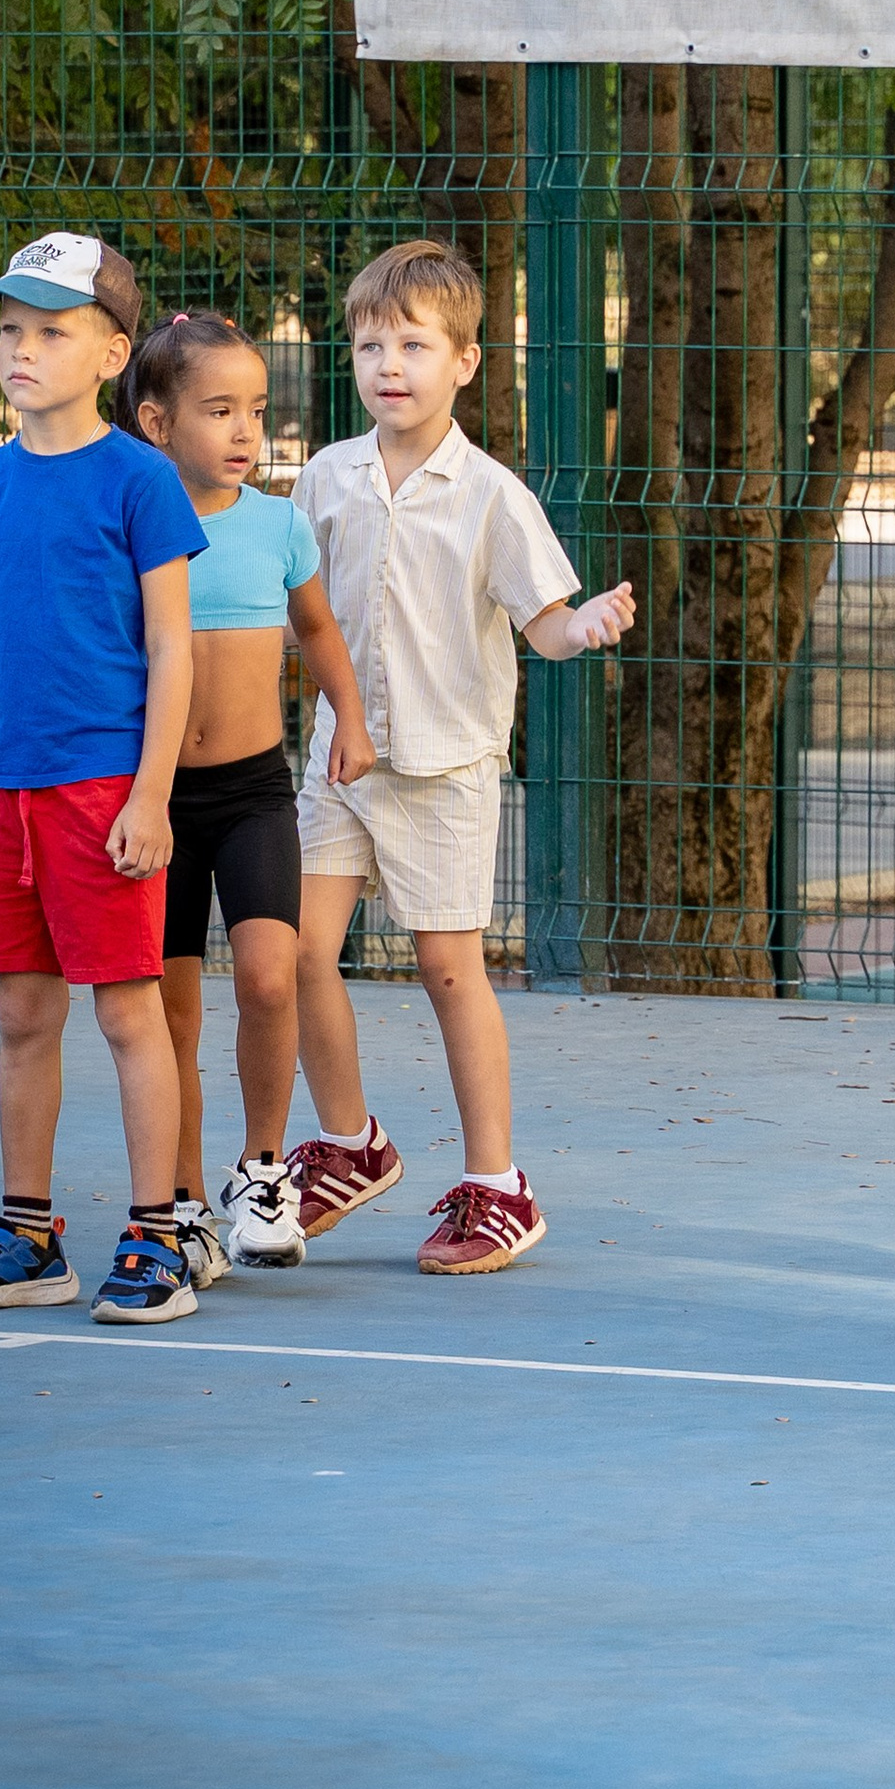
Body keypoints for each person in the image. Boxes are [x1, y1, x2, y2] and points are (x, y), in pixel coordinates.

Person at [288, 239, 637, 1276]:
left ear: (465, 362)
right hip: (339, 762)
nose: (388, 363)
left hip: (444, 773)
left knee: (449, 969)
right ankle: (351, 1146)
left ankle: (498, 1185)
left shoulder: (491, 494)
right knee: (299, 953)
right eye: (369, 344)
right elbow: (294, 610)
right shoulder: (323, 477)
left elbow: (545, 623)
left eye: (413, 343)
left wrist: (586, 628)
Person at [0, 234, 208, 1326]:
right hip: (6, 795)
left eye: (50, 331)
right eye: (8, 331)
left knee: (130, 1013)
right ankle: (27, 1233)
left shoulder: (139, 479)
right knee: (22, 1011)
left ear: (111, 351)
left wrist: (149, 794)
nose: (22, 350)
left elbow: (173, 647)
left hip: (104, 790)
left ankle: (159, 1233)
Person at [123, 308, 373, 1281]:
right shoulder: (134, 527)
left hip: (256, 790)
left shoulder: (278, 524)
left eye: (256, 411)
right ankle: (181, 1201)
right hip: (160, 801)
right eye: (218, 409)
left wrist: (347, 716)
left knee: (273, 974)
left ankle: (262, 1175)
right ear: (155, 423)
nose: (243, 432)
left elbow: (316, 631)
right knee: (173, 1013)